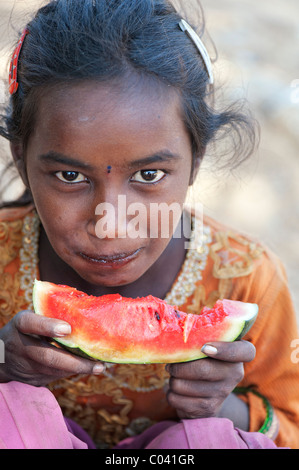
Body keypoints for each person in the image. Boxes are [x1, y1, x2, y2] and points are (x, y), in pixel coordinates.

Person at [0, 0, 297, 449]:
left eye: (149, 175)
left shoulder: (248, 279)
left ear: (195, 161)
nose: (111, 224)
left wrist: (223, 407)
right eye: (70, 176)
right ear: (22, 159)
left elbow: (292, 424)